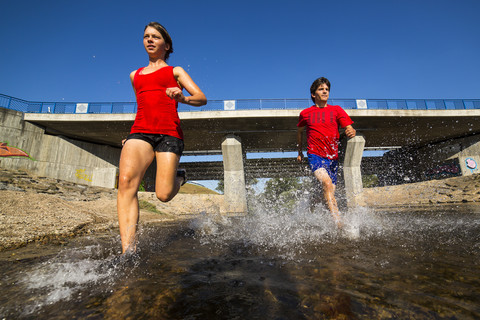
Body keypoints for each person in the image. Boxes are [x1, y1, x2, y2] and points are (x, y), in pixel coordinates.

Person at [117, 22, 207, 254]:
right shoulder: (134, 75)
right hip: (140, 132)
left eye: (155, 37)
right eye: (146, 36)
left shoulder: (175, 71)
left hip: (169, 133)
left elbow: (201, 98)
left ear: (166, 45)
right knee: (126, 183)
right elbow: (144, 106)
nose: (149, 40)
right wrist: (131, 136)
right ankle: (129, 250)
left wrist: (182, 97)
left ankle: (180, 177)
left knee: (164, 195)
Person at [296, 77, 356, 227]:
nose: (325, 91)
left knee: (327, 193)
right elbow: (299, 132)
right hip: (315, 155)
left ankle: (309, 210)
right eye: (321, 89)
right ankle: (339, 223)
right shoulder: (305, 113)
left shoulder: (336, 110)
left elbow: (348, 126)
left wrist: (350, 130)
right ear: (313, 94)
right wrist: (299, 152)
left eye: (327, 89)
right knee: (327, 184)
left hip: (333, 159)